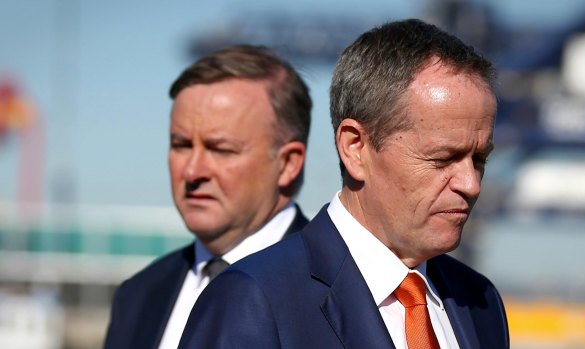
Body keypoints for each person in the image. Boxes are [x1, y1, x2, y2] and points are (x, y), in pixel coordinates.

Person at [179, 19, 509, 349]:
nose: (471, 185)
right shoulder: (252, 300)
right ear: (355, 148)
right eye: (443, 158)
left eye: (479, 159)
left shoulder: (480, 302)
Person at [103, 45, 312, 349]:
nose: (192, 171)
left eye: (220, 149)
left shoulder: (341, 293)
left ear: (288, 163)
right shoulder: (138, 296)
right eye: (181, 145)